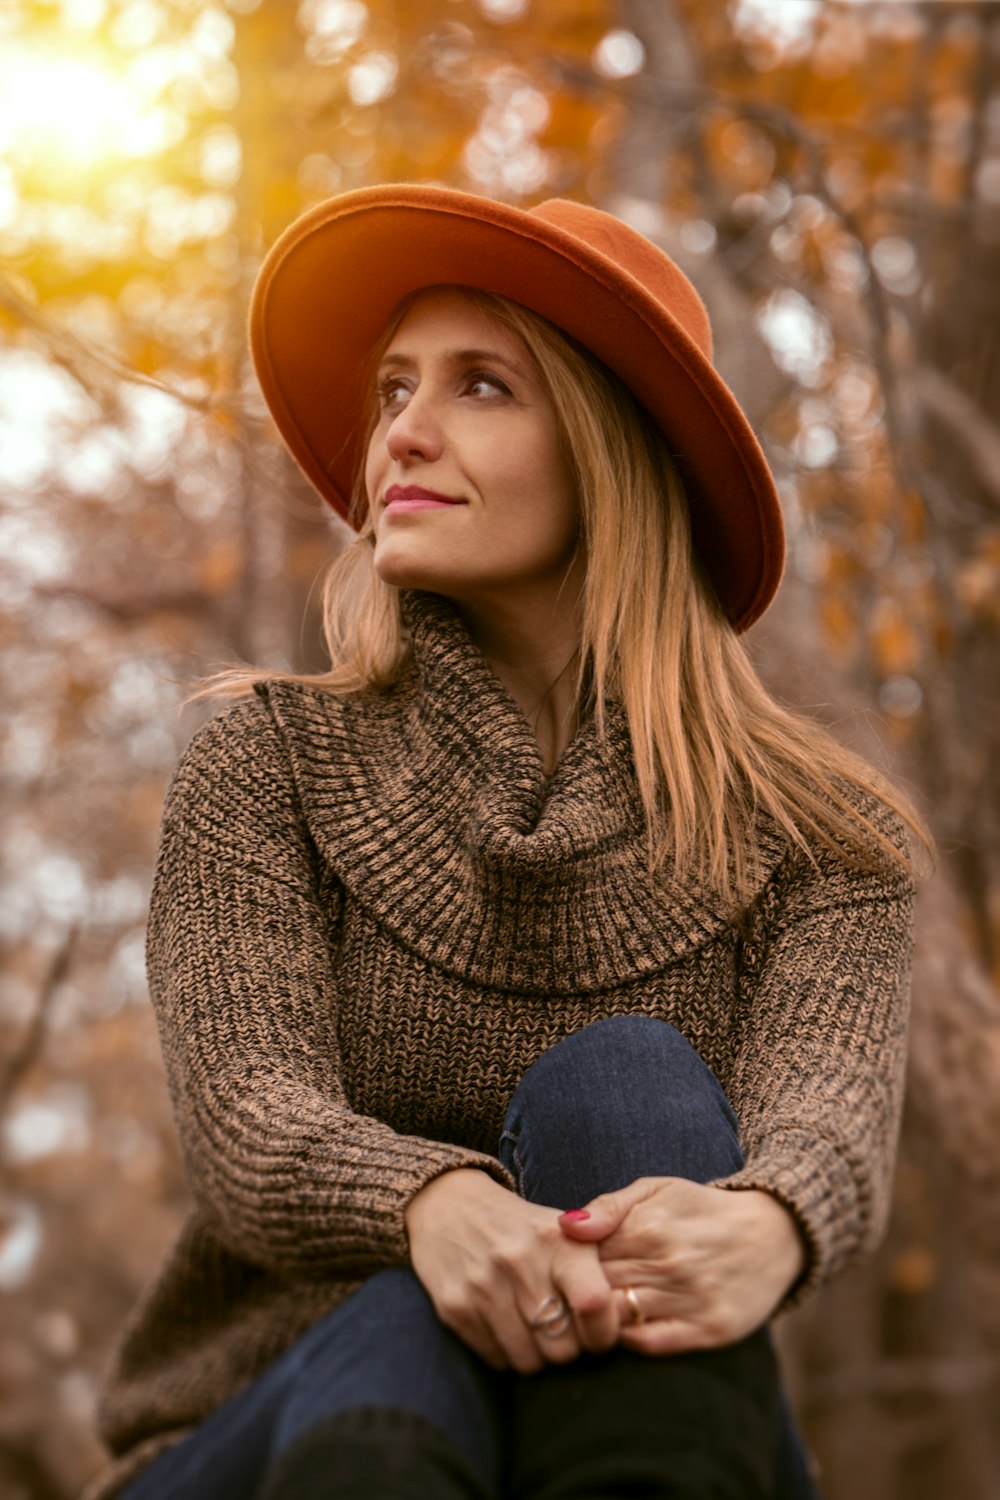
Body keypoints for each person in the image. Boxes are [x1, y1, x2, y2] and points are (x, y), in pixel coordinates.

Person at [84, 186, 928, 1500]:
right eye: (393, 391)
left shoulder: (825, 841)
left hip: (638, 1423)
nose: (403, 434)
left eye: (481, 387)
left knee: (628, 1088)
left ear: (611, 452)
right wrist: (432, 1207)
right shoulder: (262, 761)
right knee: (402, 1320)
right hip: (263, 1438)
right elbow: (249, 1119)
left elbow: (827, 1120)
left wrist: (773, 1224)